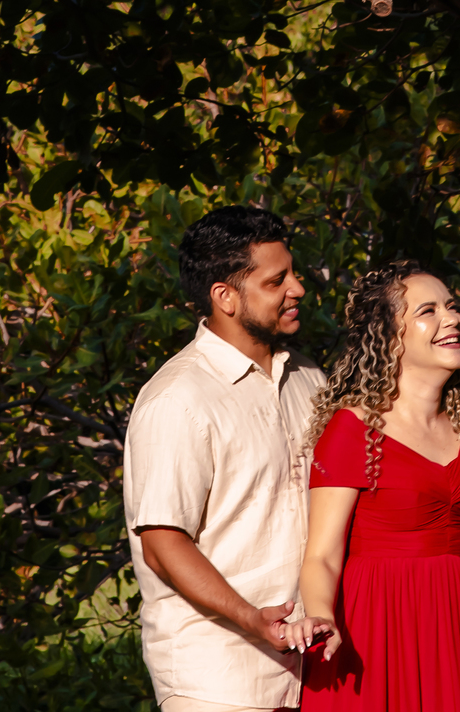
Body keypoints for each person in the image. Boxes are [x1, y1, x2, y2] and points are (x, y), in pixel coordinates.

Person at [282, 261, 460, 712]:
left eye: (452, 307)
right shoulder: (353, 428)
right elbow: (322, 553)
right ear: (391, 337)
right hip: (373, 624)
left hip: (452, 622)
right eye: (427, 311)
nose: (451, 319)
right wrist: (319, 614)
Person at [123, 206, 326, 712]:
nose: (297, 288)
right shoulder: (178, 398)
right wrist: (252, 617)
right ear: (225, 297)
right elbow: (164, 545)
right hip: (217, 680)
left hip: (315, 671)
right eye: (277, 280)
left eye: (294, 273)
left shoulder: (310, 380)